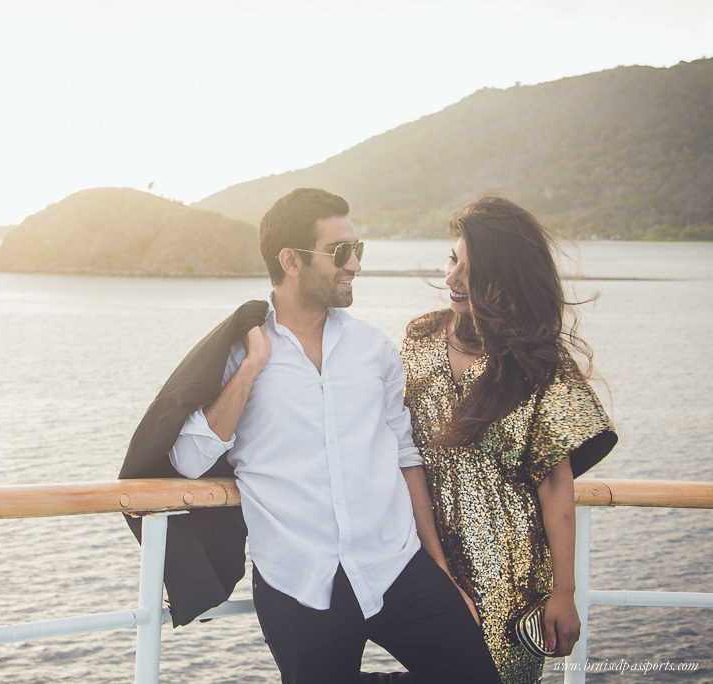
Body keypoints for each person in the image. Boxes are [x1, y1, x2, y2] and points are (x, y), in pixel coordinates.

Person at [158, 188, 501, 683]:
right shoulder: (237, 354)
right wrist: (253, 366)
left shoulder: (373, 349)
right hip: (298, 579)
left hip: (396, 565)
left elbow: (406, 456)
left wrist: (439, 567)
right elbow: (188, 459)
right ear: (291, 261)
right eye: (342, 252)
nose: (357, 264)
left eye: (359, 250)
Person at [400, 197, 617, 684]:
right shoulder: (420, 339)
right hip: (429, 566)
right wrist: (434, 567)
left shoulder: (536, 363)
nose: (453, 279)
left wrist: (564, 592)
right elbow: (401, 450)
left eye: (472, 270)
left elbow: (555, 484)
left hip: (513, 578)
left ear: (506, 280)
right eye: (453, 259)